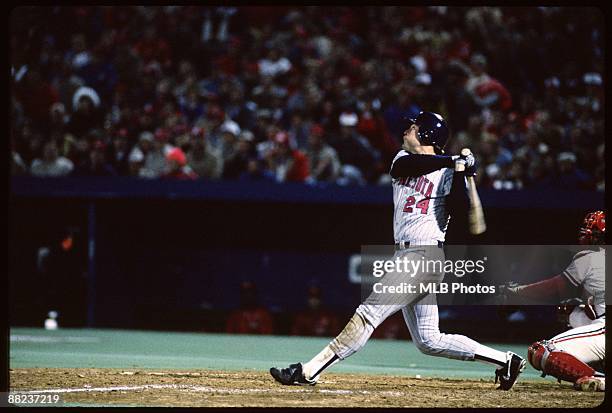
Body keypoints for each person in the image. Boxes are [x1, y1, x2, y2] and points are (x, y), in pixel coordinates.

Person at [270, 111, 526, 390]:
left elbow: (461, 211)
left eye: (415, 127)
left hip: (423, 256)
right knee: (430, 340)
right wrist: (453, 161)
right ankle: (505, 360)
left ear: (427, 135)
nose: (408, 130)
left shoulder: (448, 173)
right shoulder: (403, 159)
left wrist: (463, 173)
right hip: (409, 255)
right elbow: (406, 168)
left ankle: (309, 370)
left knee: (368, 314)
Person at [500, 211, 605, 392]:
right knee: (572, 312)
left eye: (592, 232)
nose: (586, 236)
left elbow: (554, 288)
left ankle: (599, 378)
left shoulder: (591, 257)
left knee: (542, 351)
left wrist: (516, 292)